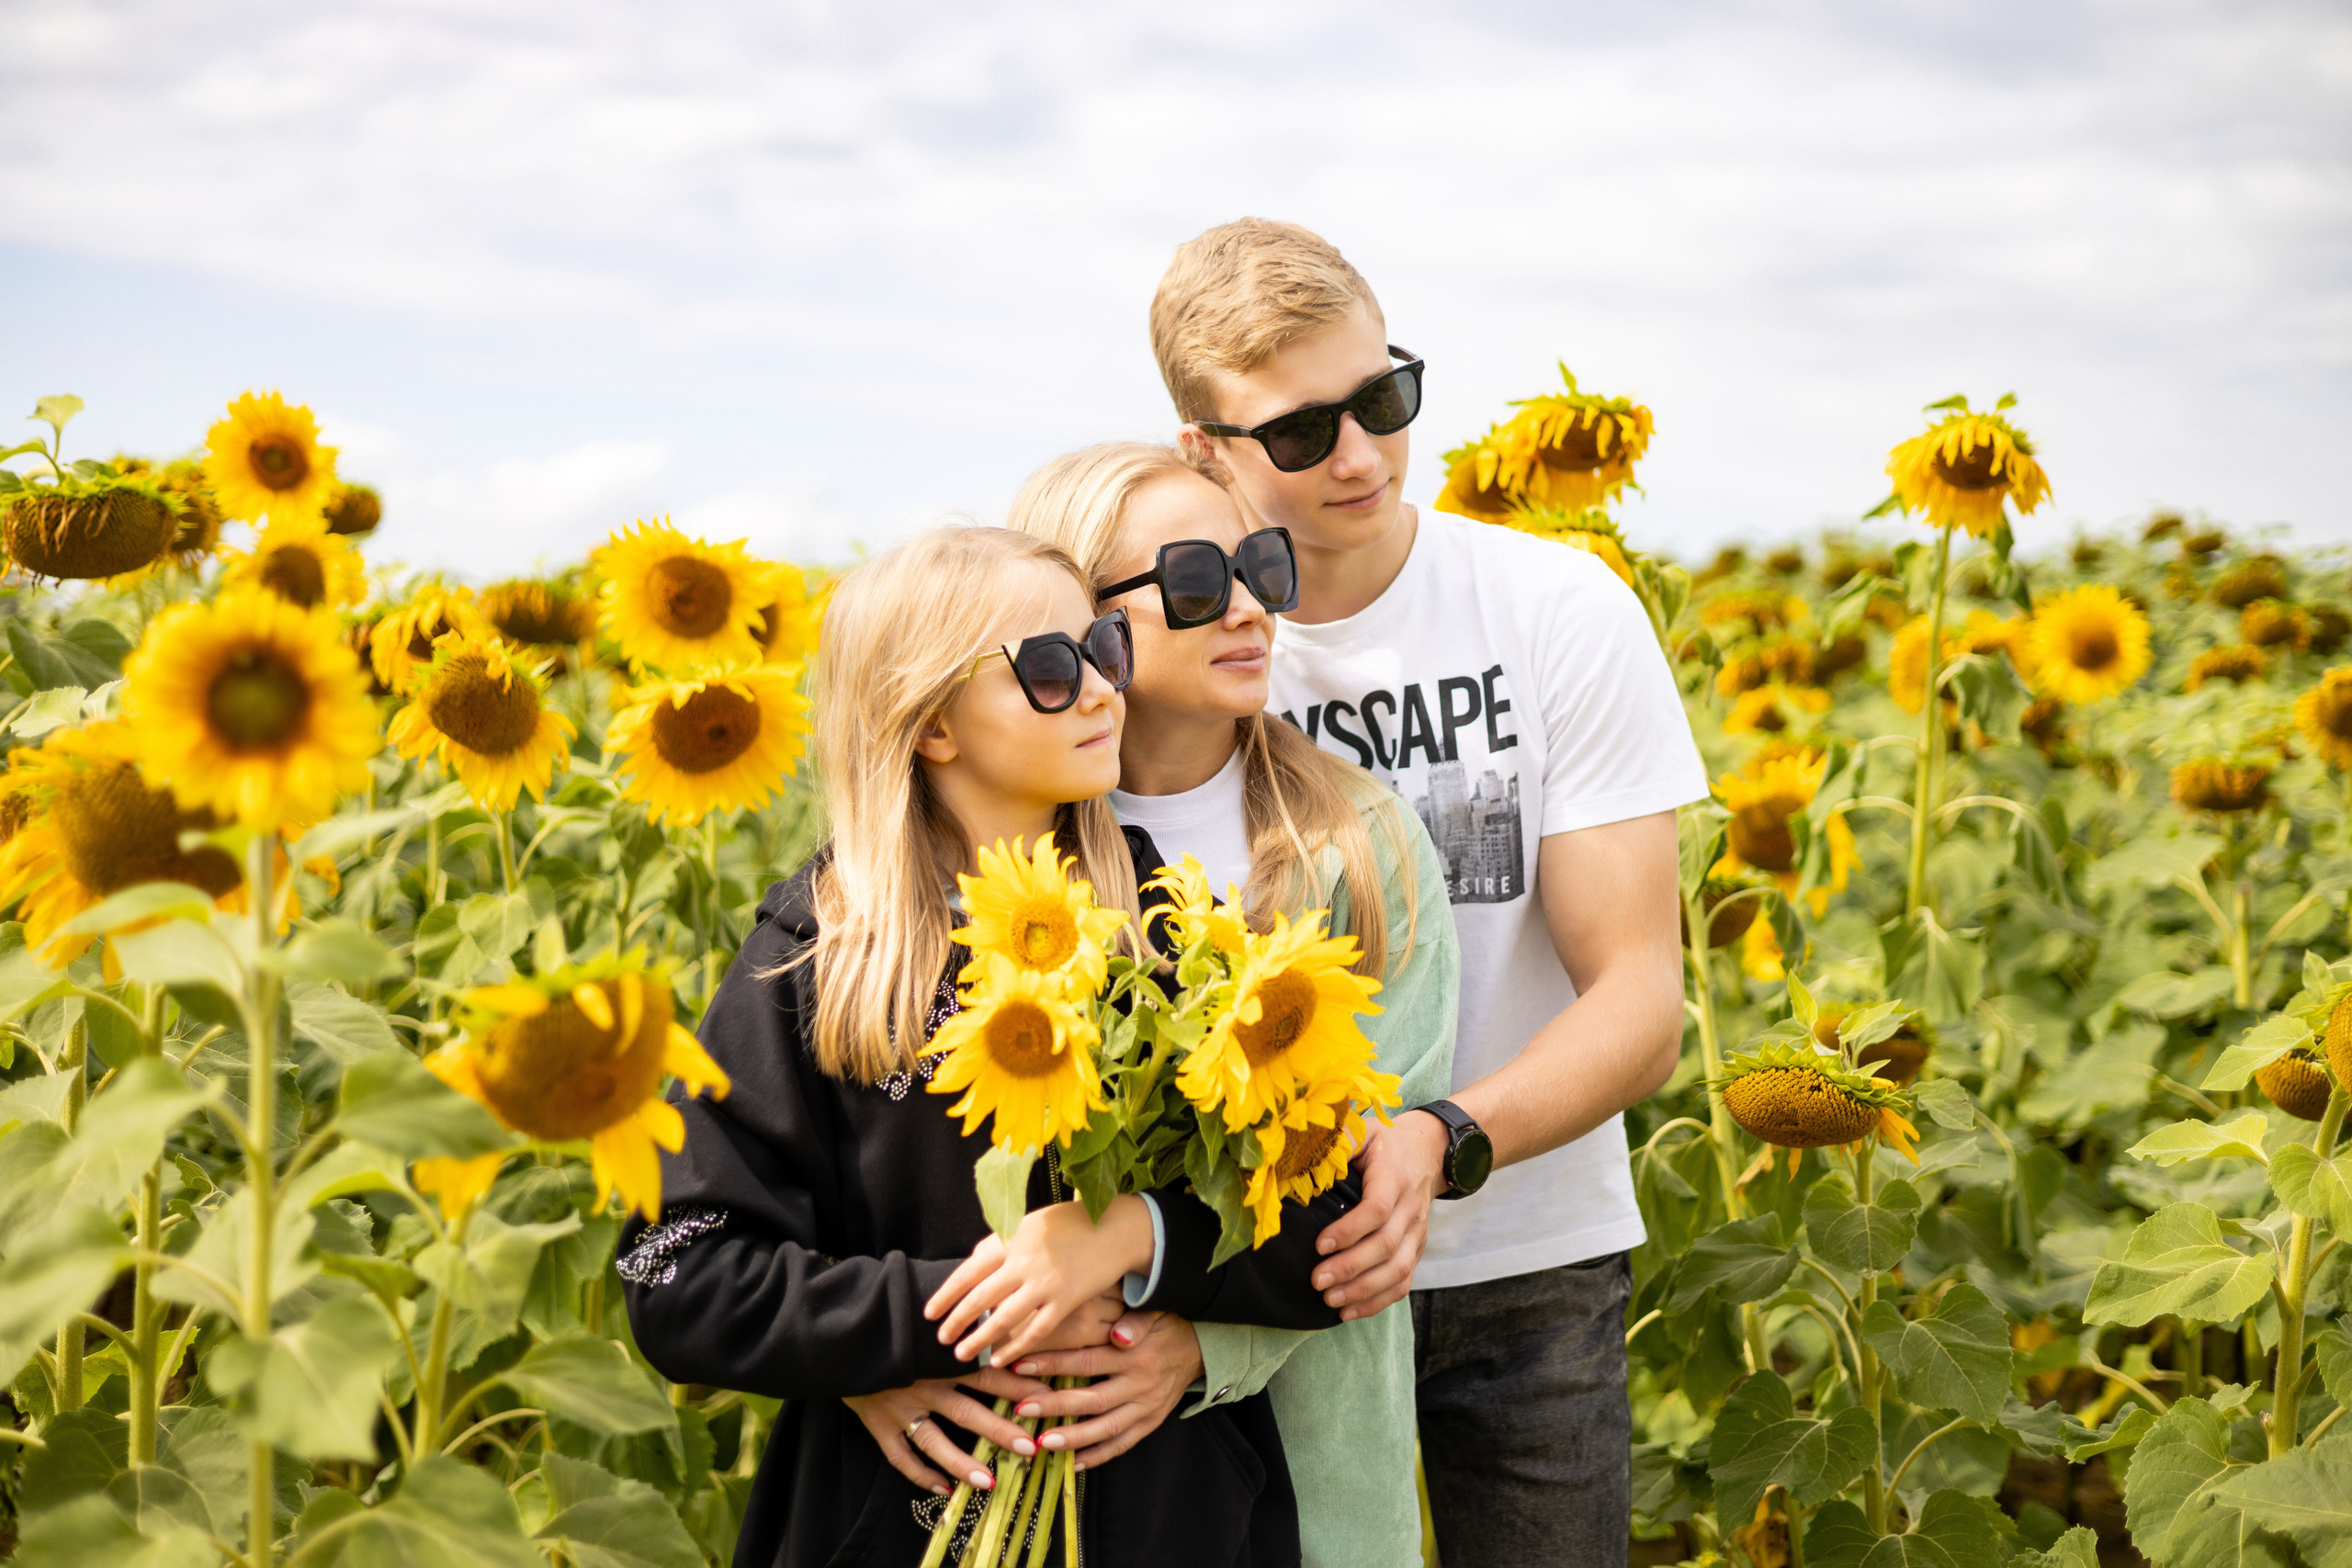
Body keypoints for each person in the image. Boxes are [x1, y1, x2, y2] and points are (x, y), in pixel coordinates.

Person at [620, 525, 1349, 1568]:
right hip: (906, 1520)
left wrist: (1135, 1239)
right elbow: (675, 1272)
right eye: (1051, 670)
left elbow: (1328, 1220)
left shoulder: (1174, 934)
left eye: (1103, 648)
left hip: (1168, 1517)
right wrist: (919, 1325)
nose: (1103, 690)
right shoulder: (822, 960)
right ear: (932, 728)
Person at [1151, 219, 1707, 1567]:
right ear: (1201, 451)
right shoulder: (1169, 652)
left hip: (1523, 1259)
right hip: (1251, 1276)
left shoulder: (1555, 609)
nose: (1359, 455)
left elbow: (1640, 998)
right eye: (1297, 432)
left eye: (1383, 399)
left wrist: (1439, 1136)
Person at [1002, 441, 1459, 1568]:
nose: (1250, 605)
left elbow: (1364, 1192)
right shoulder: (1010, 856)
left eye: (1260, 564)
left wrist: (1203, 1343)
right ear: (1088, 621)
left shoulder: (1360, 848)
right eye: (1200, 582)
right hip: (1037, 1453)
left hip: (1311, 1463)